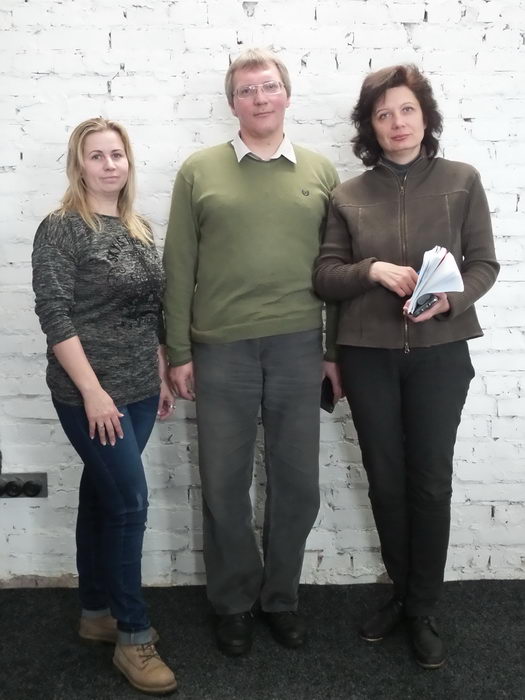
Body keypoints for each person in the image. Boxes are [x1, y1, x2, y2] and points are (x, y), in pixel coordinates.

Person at [313, 65, 499, 669]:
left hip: (441, 355)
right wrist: (370, 269)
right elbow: (325, 276)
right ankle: (401, 593)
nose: (397, 123)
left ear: (426, 117)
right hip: (368, 357)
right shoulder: (347, 194)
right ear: (370, 126)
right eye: (384, 114)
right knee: (386, 481)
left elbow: (484, 265)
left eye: (407, 110)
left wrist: (450, 300)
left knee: (430, 482)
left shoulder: (462, 181)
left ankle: (422, 608)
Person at [163, 48, 341, 656]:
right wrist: (178, 351)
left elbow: (337, 268)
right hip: (221, 351)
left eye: (268, 87)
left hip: (299, 347)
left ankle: (281, 599)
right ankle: (234, 602)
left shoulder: (320, 171)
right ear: (232, 103)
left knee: (298, 485)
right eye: (246, 90)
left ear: (286, 95)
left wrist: (333, 351)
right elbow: (179, 265)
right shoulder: (199, 171)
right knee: (223, 484)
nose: (259, 98)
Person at [32, 118, 177, 694]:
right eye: (97, 156)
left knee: (103, 495)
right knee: (129, 503)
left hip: (139, 390)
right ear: (80, 165)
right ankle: (133, 636)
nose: (110, 164)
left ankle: (96, 612)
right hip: (89, 394)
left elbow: (152, 312)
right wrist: (94, 392)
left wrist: (160, 374)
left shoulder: (139, 227)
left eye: (117, 154)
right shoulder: (61, 228)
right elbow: (55, 314)